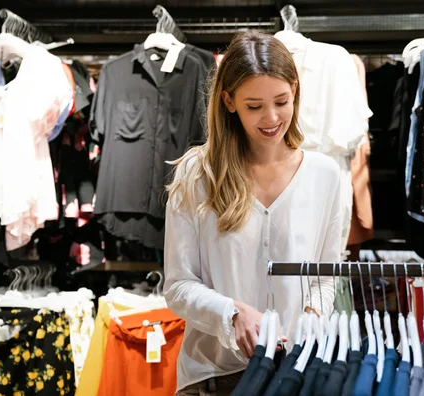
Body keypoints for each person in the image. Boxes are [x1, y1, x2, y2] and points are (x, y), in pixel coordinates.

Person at [164, 31, 342, 396]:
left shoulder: (325, 175)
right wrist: (231, 313)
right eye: (254, 106)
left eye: (281, 101)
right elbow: (178, 286)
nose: (271, 117)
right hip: (214, 380)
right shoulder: (198, 174)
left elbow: (325, 276)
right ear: (229, 101)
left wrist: (311, 316)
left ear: (295, 89)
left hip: (296, 375)